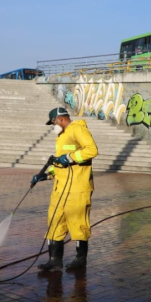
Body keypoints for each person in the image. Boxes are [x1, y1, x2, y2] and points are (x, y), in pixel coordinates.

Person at [30, 107, 99, 271]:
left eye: (53, 122)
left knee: (78, 224)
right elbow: (61, 165)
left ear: (60, 119)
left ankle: (80, 259)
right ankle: (54, 260)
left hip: (77, 188)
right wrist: (45, 175)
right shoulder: (61, 137)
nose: (52, 126)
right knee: (55, 223)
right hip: (60, 189)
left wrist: (69, 157)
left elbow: (92, 150)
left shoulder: (78, 129)